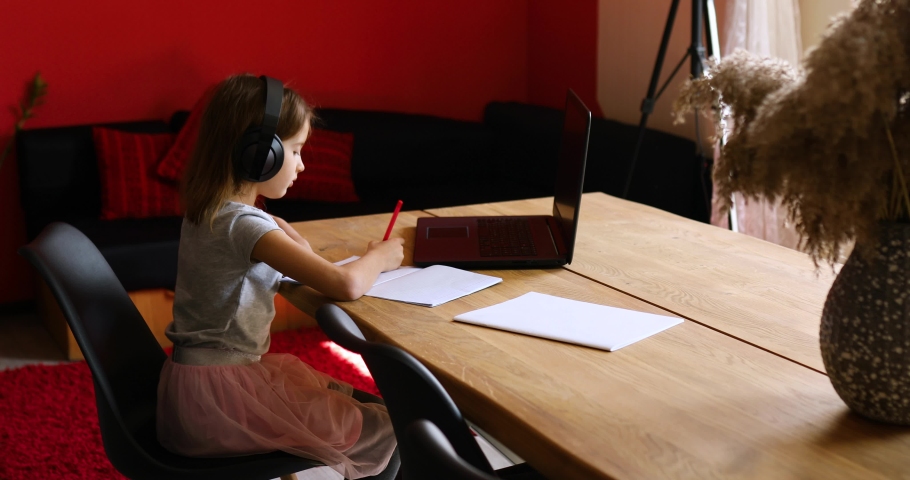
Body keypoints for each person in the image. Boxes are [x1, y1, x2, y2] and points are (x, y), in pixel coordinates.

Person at [156, 74, 404, 480]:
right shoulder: (247, 228)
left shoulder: (209, 211)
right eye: (295, 150)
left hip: (196, 391)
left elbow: (297, 272)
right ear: (260, 155)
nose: (302, 164)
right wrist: (379, 256)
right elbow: (346, 285)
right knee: (391, 429)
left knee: (350, 401)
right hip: (224, 403)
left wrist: (294, 247)